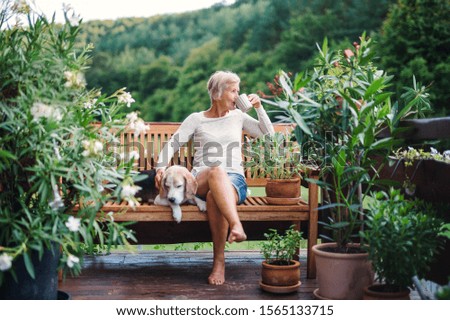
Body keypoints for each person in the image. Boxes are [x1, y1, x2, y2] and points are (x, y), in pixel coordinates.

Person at [155, 70, 274, 285]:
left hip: (234, 181)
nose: (238, 96)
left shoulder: (238, 116)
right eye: (233, 91)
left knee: (213, 197)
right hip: (199, 179)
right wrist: (160, 168)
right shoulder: (196, 119)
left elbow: (269, 135)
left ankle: (219, 263)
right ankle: (236, 225)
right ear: (218, 93)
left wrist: (259, 107)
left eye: (238, 91)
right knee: (215, 170)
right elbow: (173, 143)